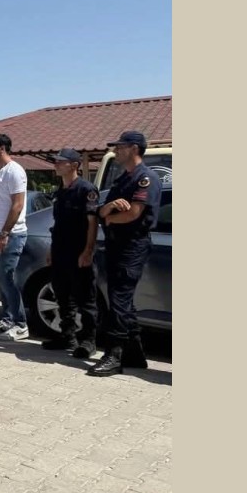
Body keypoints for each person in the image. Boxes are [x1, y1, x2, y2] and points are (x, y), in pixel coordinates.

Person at [89, 131, 162, 377]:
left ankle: (114, 354)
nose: (116, 150)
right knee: (123, 302)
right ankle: (135, 354)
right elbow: (101, 209)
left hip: (132, 246)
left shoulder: (146, 178)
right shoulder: (123, 179)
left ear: (133, 148)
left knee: (119, 300)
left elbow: (133, 213)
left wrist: (108, 219)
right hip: (116, 245)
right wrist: (108, 209)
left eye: (119, 147)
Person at [42, 149, 101, 355]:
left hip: (78, 251)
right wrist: (51, 250)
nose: (56, 165)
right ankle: (67, 337)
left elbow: (92, 223)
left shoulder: (86, 190)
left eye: (61, 162)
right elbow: (57, 225)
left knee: (85, 297)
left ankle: (89, 341)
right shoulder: (61, 191)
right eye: (56, 162)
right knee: (63, 296)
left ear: (74, 165)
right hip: (60, 251)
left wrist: (88, 251)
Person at [0, 134, 30, 341]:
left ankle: (21, 324)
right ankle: (7, 320)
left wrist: (5, 233)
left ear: (1, 148)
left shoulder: (15, 171)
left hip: (11, 234)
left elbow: (17, 205)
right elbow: (0, 206)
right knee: (1, 280)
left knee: (7, 279)